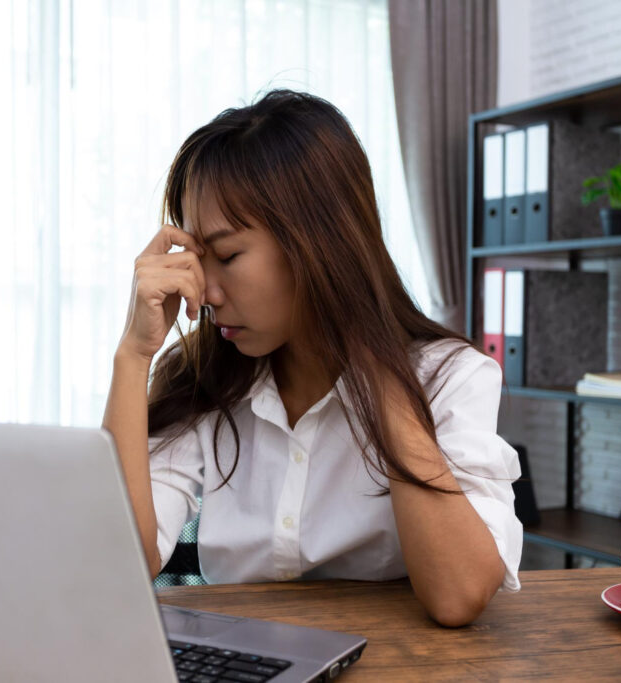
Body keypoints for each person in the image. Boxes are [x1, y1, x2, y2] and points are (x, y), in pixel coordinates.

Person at [102, 89, 521, 627]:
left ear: (318, 245)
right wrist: (133, 355)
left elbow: (459, 595)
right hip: (245, 658)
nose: (204, 292)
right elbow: (119, 567)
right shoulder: (201, 377)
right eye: (198, 259)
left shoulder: (449, 377)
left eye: (227, 256)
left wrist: (373, 355)